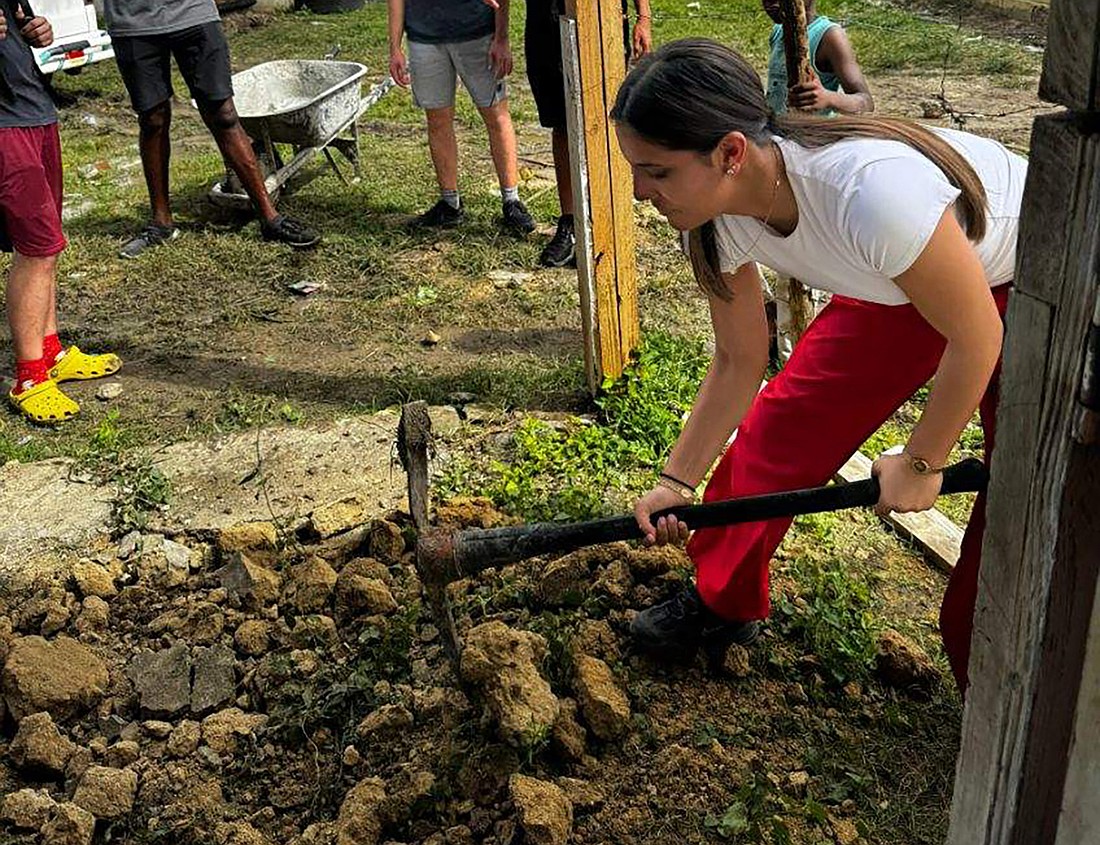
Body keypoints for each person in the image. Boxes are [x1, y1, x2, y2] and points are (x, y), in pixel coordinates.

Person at [611, 39, 1024, 693]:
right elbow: (739, 360)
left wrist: (923, 461)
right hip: (900, 274)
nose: (640, 192)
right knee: (782, 427)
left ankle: (1000, 686)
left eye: (656, 172)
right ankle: (723, 598)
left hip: (1031, 277)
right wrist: (676, 482)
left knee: (1023, 486)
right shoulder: (714, 218)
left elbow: (977, 337)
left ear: (730, 153)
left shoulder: (868, 196)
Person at [102, 0, 319, 258]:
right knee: (152, 120)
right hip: (132, 23)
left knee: (224, 115)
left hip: (194, 14)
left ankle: (269, 217)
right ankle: (161, 223)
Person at [2, 1, 121, 423]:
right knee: (38, 249)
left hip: (34, 109)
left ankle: (50, 352)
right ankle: (29, 378)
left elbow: (21, 29)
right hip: (6, 126)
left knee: (47, 244)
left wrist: (36, 31)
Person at [762, 0, 874, 363]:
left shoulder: (828, 36)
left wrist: (827, 97)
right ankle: (776, 324)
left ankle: (795, 353)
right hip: (779, 156)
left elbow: (864, 100)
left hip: (813, 162)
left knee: (799, 258)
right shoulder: (778, 32)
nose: (770, 3)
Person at [388, 0, 535, 234]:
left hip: (477, 34)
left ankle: (512, 201)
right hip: (424, 38)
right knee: (437, 121)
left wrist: (502, 37)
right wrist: (394, 47)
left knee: (496, 116)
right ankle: (450, 204)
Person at [524, 0, 651, 266]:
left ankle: (608, 221)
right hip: (546, 22)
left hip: (601, 21)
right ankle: (570, 224)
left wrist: (643, 17)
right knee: (561, 122)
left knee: (606, 121)